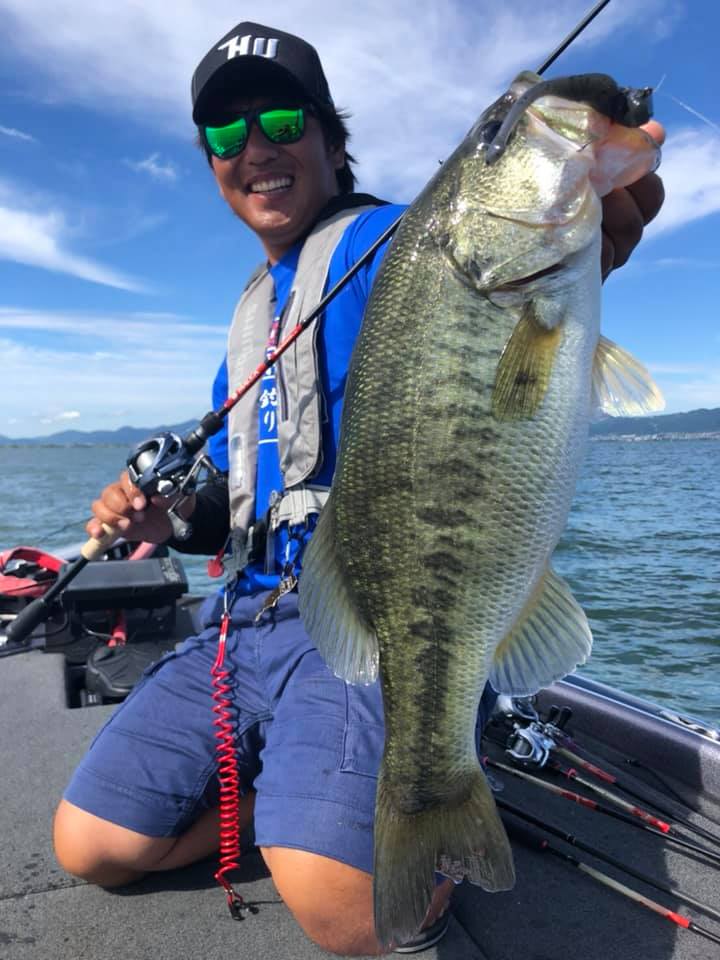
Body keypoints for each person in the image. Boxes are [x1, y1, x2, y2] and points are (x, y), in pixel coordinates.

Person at [52, 20, 666, 957]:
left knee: (351, 916)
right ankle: (286, 793)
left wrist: (594, 208)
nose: (255, 148)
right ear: (212, 164)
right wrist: (171, 518)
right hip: (240, 622)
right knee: (89, 848)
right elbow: (245, 497)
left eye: (282, 122)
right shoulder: (253, 317)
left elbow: (515, 277)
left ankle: (412, 788)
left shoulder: (398, 243)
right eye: (226, 134)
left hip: (364, 622)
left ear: (334, 145)